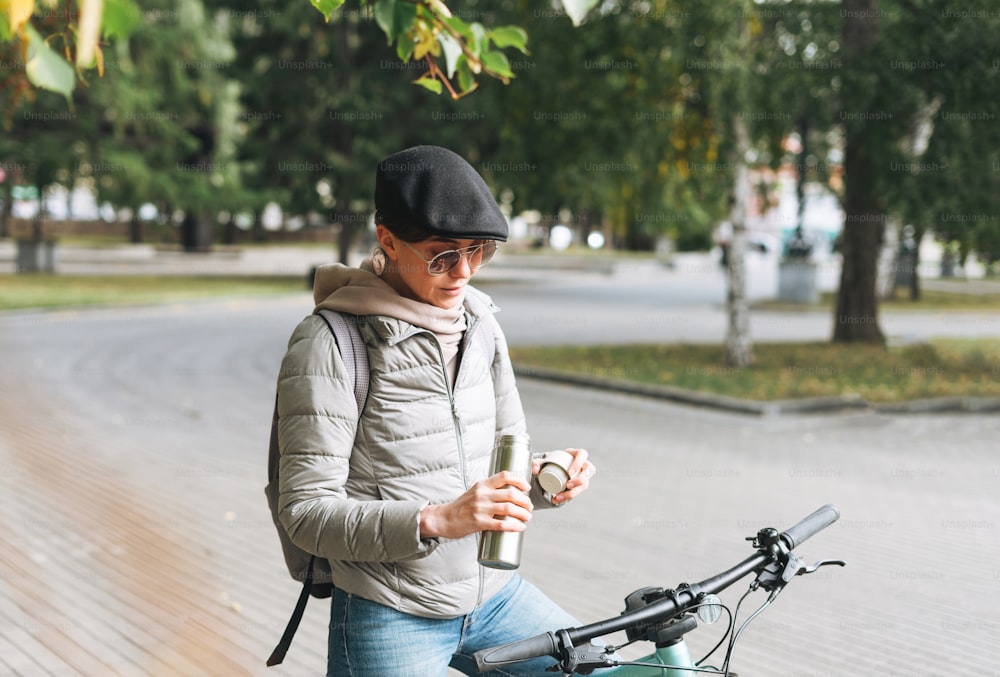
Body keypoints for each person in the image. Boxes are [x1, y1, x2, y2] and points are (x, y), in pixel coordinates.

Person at [274, 145, 597, 677]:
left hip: (494, 597)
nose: (464, 272)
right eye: (442, 255)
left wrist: (541, 481)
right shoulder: (330, 343)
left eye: (479, 250)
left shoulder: (480, 325)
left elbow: (500, 468)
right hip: (389, 611)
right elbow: (305, 514)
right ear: (388, 241)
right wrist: (438, 520)